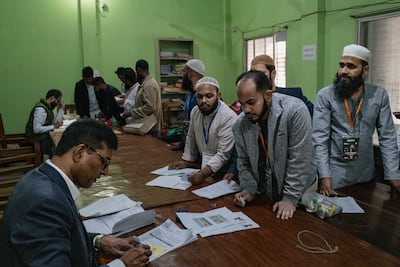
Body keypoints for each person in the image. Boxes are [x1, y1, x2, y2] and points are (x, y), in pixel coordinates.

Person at [0, 119, 152, 266]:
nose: (105, 171)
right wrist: (122, 264)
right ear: (79, 153)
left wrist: (98, 241)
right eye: (104, 162)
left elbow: (61, 233)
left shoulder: (42, 177)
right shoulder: (46, 203)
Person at [313, 44, 400, 195]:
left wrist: (393, 174)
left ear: (365, 70)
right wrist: (324, 176)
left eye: (351, 66)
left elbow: (387, 137)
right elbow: (319, 139)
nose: (344, 71)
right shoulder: (325, 96)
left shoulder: (379, 95)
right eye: (341, 65)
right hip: (335, 176)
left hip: (366, 174)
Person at [233, 71, 316, 220]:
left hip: (301, 192)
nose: (246, 110)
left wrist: (290, 198)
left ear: (268, 95)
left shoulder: (295, 111)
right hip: (267, 196)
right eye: (242, 103)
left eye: (251, 102)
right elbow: (243, 161)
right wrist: (249, 188)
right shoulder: (240, 125)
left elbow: (300, 159)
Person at [169, 77, 237, 185]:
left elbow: (223, 154)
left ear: (218, 96)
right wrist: (187, 162)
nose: (203, 101)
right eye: (199, 97)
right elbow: (191, 137)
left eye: (209, 96)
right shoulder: (195, 111)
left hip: (223, 172)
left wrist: (203, 174)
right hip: (203, 167)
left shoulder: (228, 116)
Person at [166, 59, 205, 150]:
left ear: (191, 73)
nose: (182, 76)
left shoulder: (202, 97)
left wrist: (181, 145)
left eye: (184, 72)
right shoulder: (189, 94)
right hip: (187, 139)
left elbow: (199, 130)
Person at [122, 59, 162, 136]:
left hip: (150, 125)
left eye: (137, 72)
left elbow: (150, 107)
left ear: (139, 70)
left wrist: (132, 113)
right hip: (147, 124)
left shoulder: (149, 85)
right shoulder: (146, 83)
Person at [25, 89, 65, 158]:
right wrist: (54, 126)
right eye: (58, 101)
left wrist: (61, 109)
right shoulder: (41, 109)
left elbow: (54, 123)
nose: (58, 103)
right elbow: (36, 129)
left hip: (43, 136)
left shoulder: (47, 107)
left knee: (58, 140)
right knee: (57, 145)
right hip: (37, 138)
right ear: (52, 98)